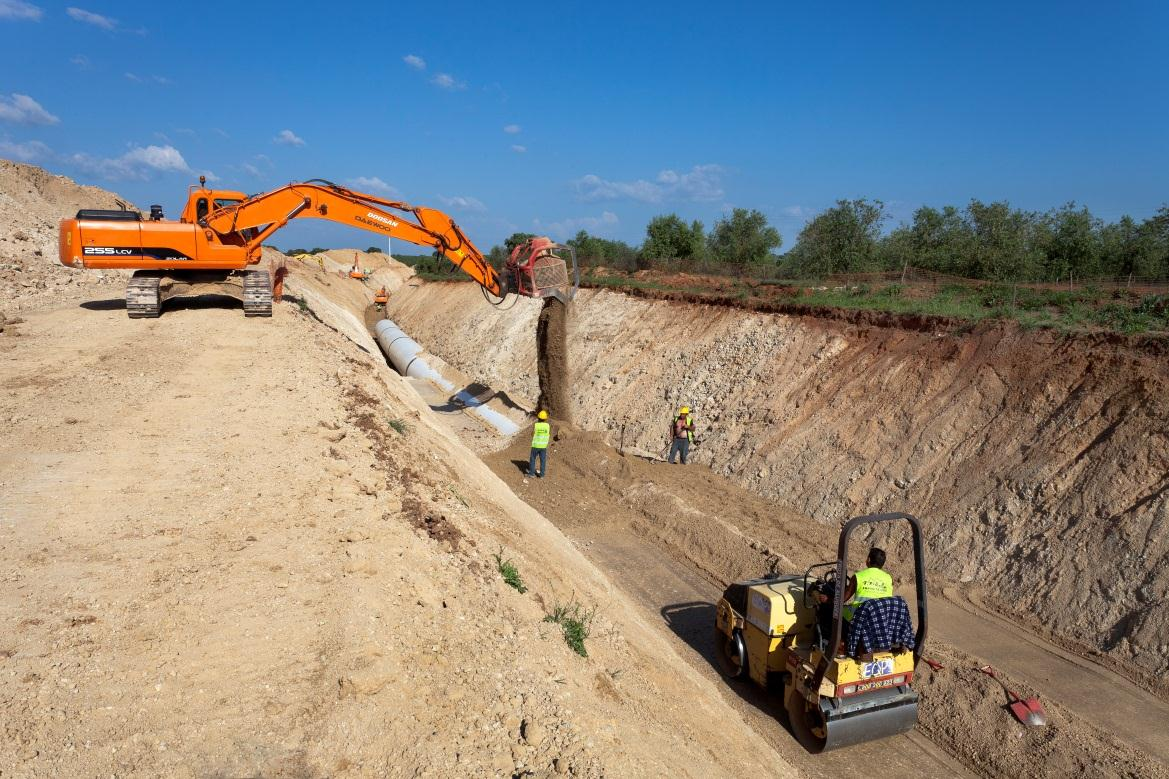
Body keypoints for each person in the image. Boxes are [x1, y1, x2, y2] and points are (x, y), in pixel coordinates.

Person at [842, 547, 893, 623]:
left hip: (860, 616)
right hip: (881, 617)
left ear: (868, 560)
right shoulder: (889, 578)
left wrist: (829, 600)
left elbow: (843, 599)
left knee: (837, 611)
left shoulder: (858, 576)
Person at [529, 410, 551, 478]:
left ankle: (532, 474)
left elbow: (532, 434)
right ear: (545, 418)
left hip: (535, 445)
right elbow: (548, 434)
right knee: (543, 460)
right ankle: (542, 475)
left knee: (533, 459)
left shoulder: (536, 425)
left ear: (538, 418)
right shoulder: (547, 426)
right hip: (543, 446)